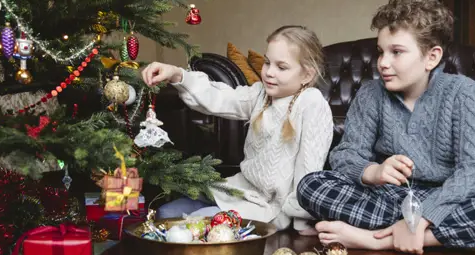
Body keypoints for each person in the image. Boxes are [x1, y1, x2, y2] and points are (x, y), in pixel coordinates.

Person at [296, 0, 475, 255]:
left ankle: (378, 240)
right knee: (312, 186)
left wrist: (423, 218)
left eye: (396, 52)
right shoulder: (370, 94)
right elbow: (345, 155)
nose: (383, 63)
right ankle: (458, 237)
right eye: (381, 52)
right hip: (391, 198)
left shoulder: (463, 92)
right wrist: (373, 171)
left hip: (450, 200)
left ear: (431, 57)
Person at [141, 25, 334, 232]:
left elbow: (309, 173)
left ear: (307, 75)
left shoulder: (311, 102)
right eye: (268, 62)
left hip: (272, 209)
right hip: (241, 191)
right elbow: (219, 98)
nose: (269, 72)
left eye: (282, 67)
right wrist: (177, 75)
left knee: (189, 226)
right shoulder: (261, 94)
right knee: (166, 214)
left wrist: (300, 225)